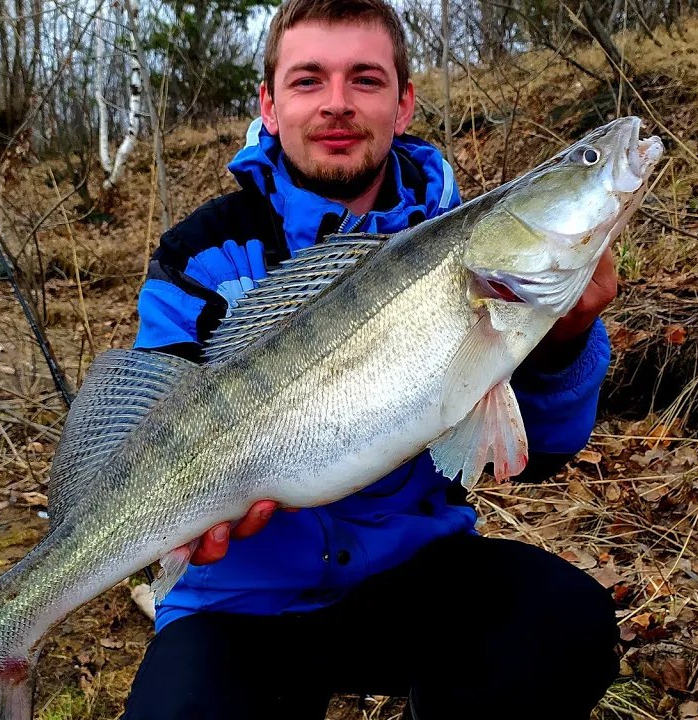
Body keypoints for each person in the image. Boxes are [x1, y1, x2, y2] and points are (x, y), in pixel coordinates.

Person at [122, 1, 620, 717]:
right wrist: (173, 530)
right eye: (306, 81)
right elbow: (146, 431)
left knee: (562, 628)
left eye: (364, 79)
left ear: (403, 101)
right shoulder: (199, 255)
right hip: (238, 603)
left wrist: (568, 334)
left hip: (414, 575)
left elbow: (539, 455)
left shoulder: (470, 252)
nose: (336, 104)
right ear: (267, 104)